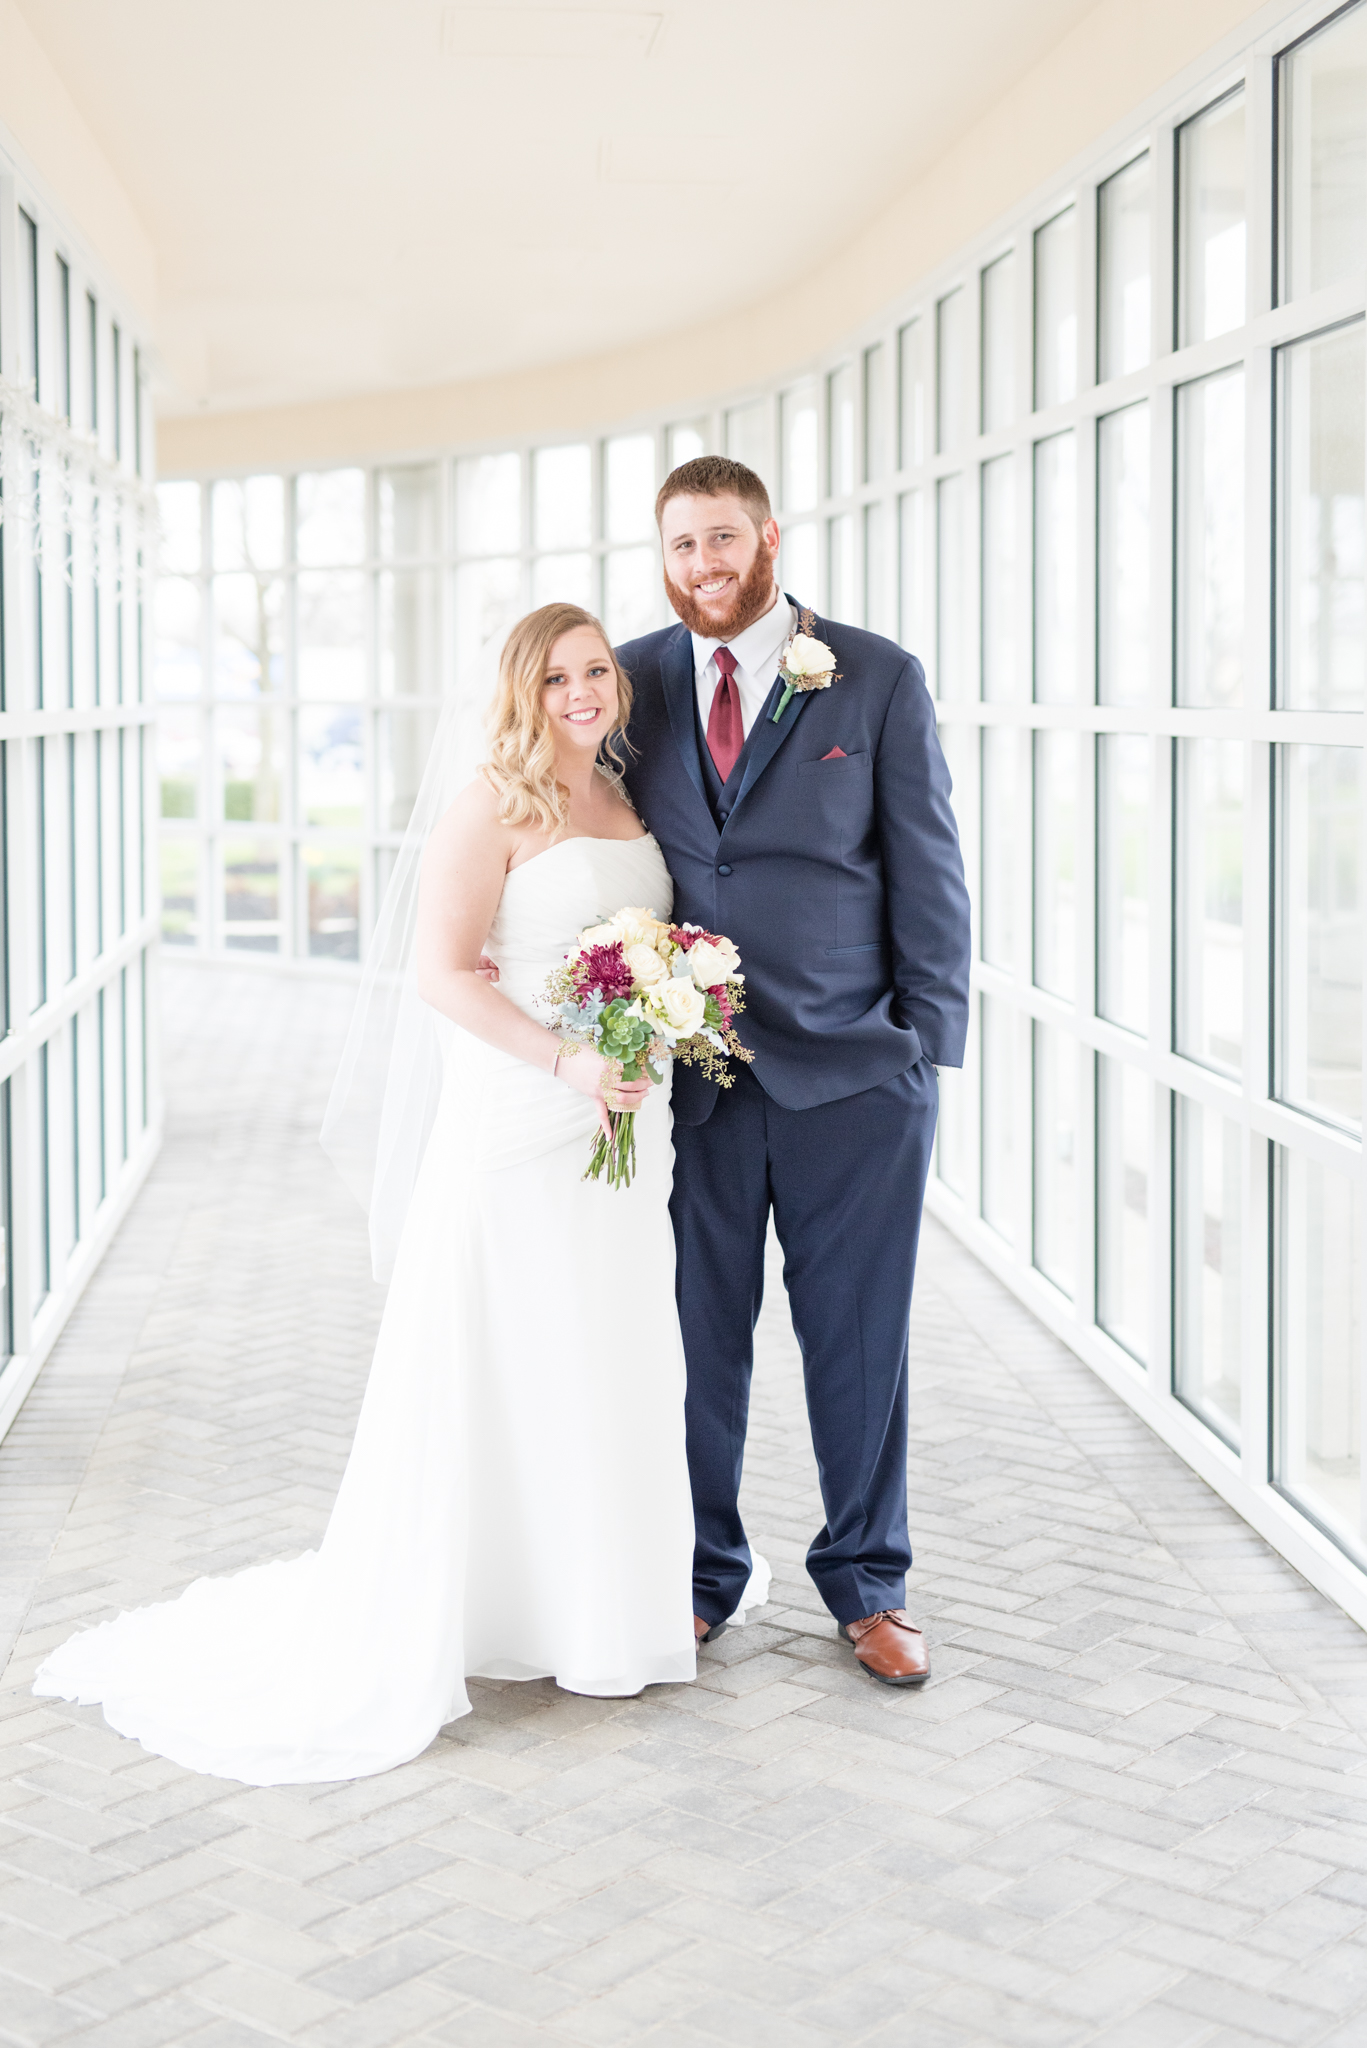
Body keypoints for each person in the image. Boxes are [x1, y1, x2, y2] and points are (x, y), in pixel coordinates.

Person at [32, 604, 771, 1785]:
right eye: (556, 677)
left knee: (608, 1351)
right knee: (504, 1348)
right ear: (519, 692)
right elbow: (437, 971)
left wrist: (650, 1022)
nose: (582, 692)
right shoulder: (491, 801)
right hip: (524, 1118)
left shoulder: (627, 797)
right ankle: (481, 1604)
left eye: (595, 671)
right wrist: (568, 1059)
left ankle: (595, 1607)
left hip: (625, 1129)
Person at [616, 456, 971, 1688]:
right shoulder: (630, 677)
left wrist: (922, 1049)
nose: (702, 567)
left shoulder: (870, 674)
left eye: (721, 540)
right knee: (694, 1341)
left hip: (854, 1078)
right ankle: (701, 1575)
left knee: (857, 1341)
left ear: (768, 537)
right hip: (691, 1085)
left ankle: (868, 1584)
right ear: (660, 558)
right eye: (680, 547)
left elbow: (928, 871)